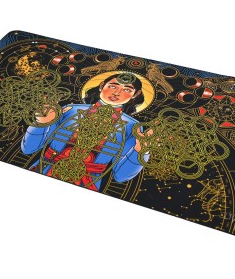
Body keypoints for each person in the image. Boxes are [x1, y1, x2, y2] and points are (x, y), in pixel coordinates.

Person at [21, 72, 152, 191]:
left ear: (136, 94)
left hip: (87, 183)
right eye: (113, 86)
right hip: (43, 169)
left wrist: (141, 152)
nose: (117, 93)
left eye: (127, 90)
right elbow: (28, 148)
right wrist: (41, 124)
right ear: (102, 85)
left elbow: (121, 176)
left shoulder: (132, 127)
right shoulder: (70, 110)